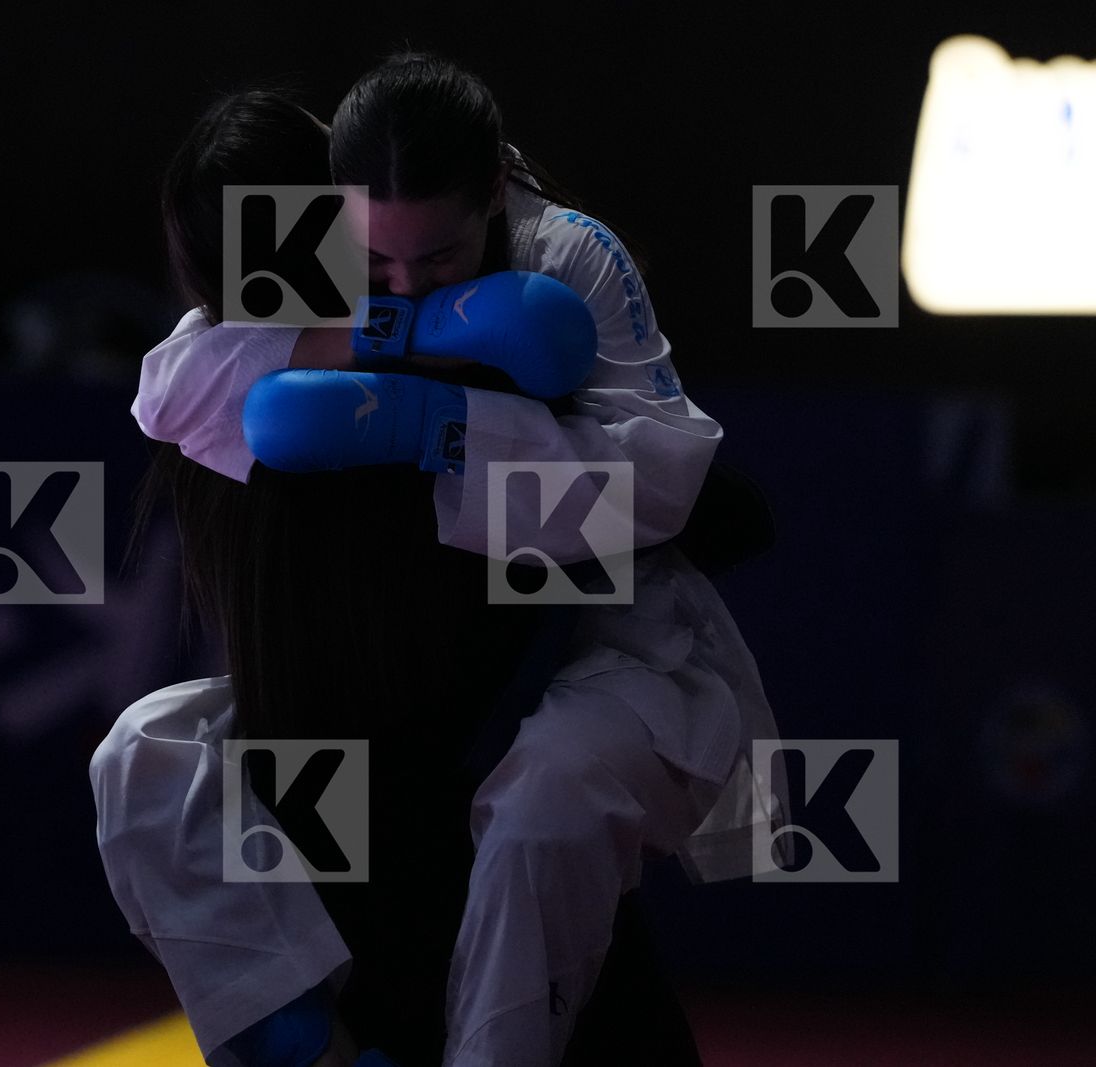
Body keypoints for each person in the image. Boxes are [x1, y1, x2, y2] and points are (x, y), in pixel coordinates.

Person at [93, 54, 783, 1067]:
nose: (405, 274)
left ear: (493, 197)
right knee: (141, 751)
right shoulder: (331, 269)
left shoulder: (570, 259)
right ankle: (293, 1034)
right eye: (378, 260)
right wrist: (395, 334)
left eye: (441, 259)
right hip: (389, 693)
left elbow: (660, 484)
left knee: (543, 806)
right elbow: (170, 386)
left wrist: (444, 422)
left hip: (606, 634)